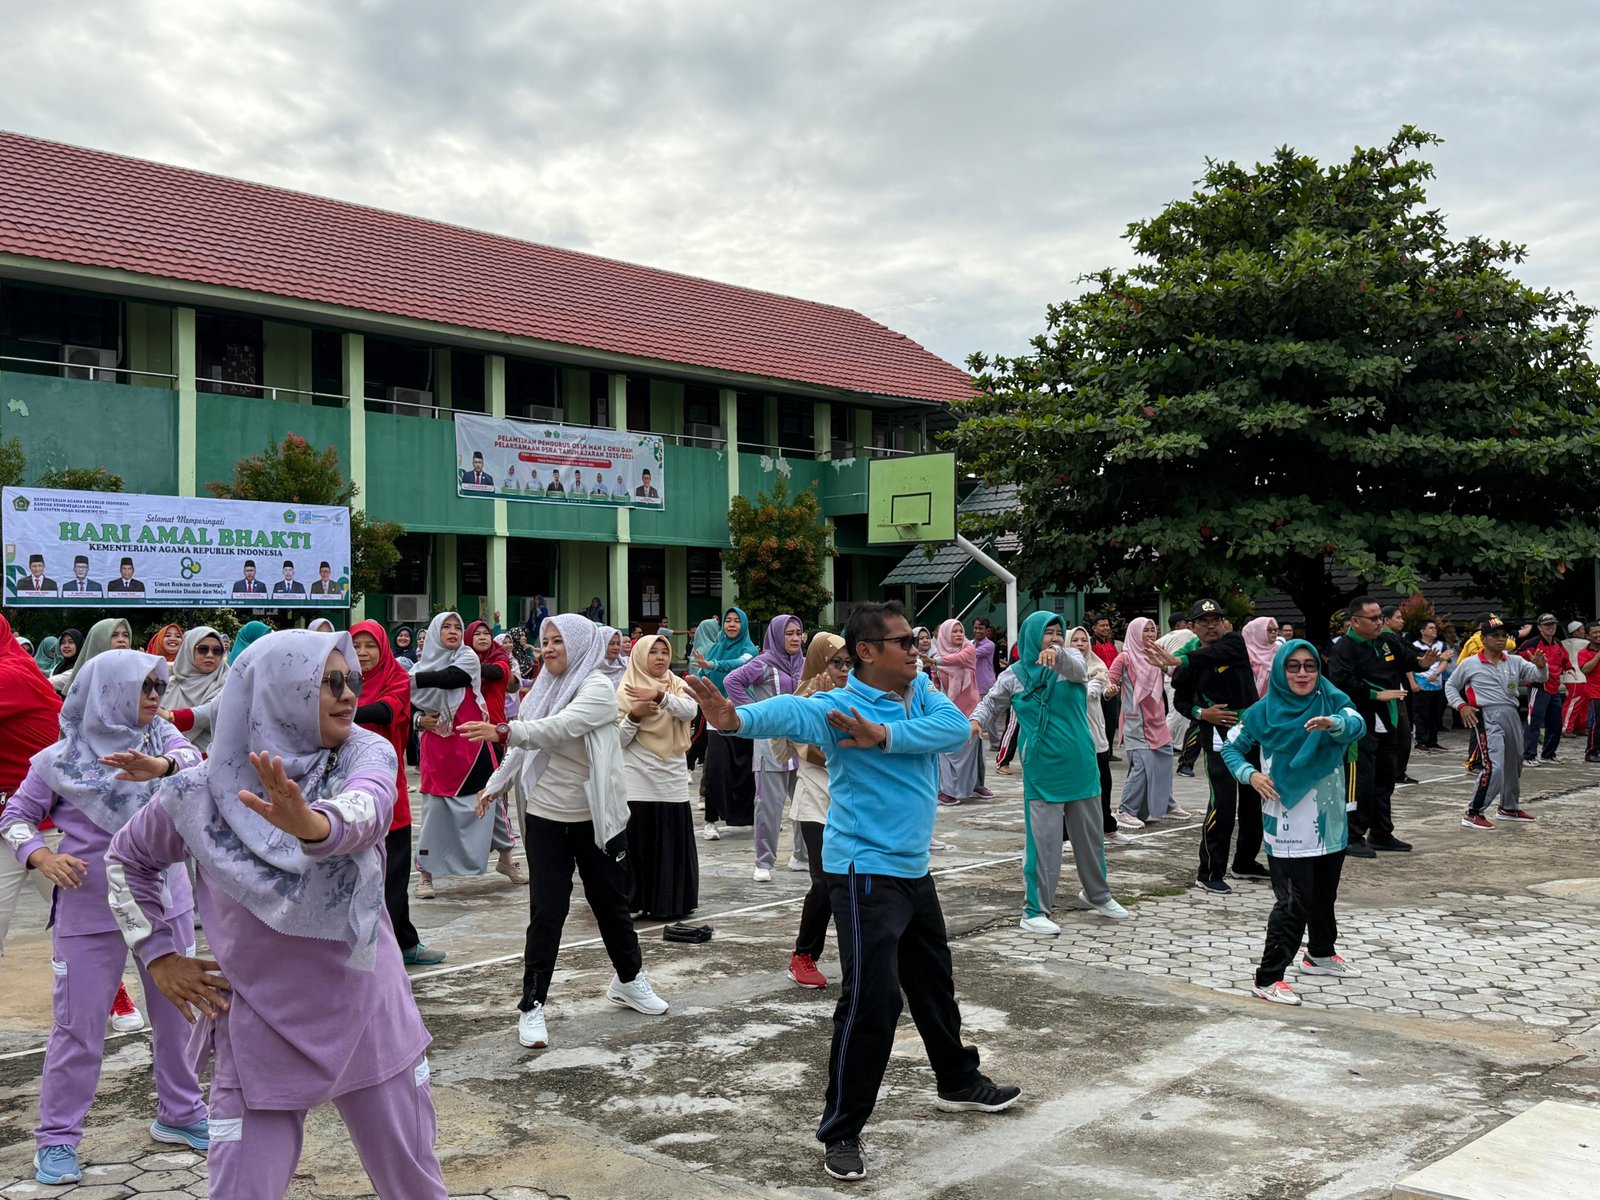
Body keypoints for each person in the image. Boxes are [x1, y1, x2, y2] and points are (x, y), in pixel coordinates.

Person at [684, 601, 1021, 1184]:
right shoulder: (838, 707)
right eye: (903, 644)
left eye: (916, 643)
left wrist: (884, 734)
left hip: (912, 869)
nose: (916, 651)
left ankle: (958, 1081)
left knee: (932, 981)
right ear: (867, 651)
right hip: (863, 872)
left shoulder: (920, 693)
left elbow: (955, 730)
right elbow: (791, 711)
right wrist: (734, 719)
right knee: (872, 1000)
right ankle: (841, 1130)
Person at [105, 629, 449, 1199]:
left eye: (351, 682)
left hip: (366, 1009)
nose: (347, 695)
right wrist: (159, 955)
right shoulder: (199, 792)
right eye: (328, 682)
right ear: (277, 690)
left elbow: (367, 804)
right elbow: (125, 861)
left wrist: (314, 825)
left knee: (413, 1186)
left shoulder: (363, 752)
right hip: (260, 1020)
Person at [1, 649, 208, 1185]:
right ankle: (58, 1139)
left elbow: (199, 769)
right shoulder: (57, 760)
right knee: (79, 1025)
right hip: (90, 907)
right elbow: (16, 816)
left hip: (166, 901)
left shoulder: (163, 740)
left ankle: (181, 1114)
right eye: (143, 689)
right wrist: (41, 856)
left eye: (158, 688)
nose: (155, 698)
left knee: (178, 1015)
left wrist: (159, 767)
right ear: (109, 691)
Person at [463, 614, 670, 1050]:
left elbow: (557, 728)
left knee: (611, 905)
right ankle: (533, 1004)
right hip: (545, 818)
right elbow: (528, 747)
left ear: (578, 645)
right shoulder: (543, 687)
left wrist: (505, 729)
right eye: (546, 641)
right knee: (548, 912)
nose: (550, 648)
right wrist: (496, 783)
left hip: (597, 819)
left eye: (559, 641)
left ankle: (630, 981)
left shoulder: (596, 688)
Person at [1220, 639, 1367, 1006]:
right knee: (1292, 901)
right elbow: (1230, 747)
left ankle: (1319, 953)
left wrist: (1332, 723)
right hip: (1286, 818)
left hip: (1329, 817)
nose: (1303, 674)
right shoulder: (1261, 712)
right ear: (1280, 670)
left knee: (1324, 892)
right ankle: (1268, 977)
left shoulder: (1330, 699)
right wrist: (1250, 775)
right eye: (1293, 666)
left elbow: (1356, 723)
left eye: (1310, 666)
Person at [972, 612, 1127, 936]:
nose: (1055, 638)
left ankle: (1097, 894)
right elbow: (991, 703)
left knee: (1089, 838)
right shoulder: (1013, 676)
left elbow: (1077, 670)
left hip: (1081, 763)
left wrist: (1057, 656)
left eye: (1059, 632)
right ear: (1031, 637)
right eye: (1048, 633)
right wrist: (976, 722)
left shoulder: (1072, 659)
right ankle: (1034, 910)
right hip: (1042, 769)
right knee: (1044, 843)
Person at [351, 620, 444, 966]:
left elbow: (386, 711)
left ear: (383, 648)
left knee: (393, 876)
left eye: (370, 646)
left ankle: (398, 946)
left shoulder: (397, 679)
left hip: (390, 793)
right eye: (356, 646)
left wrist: (339, 713)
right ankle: (372, 946)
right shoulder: (339, 677)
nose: (362, 653)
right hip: (345, 793)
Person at [411, 612, 522, 896]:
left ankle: (507, 860)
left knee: (490, 801)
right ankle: (425, 875)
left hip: (472, 743)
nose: (452, 631)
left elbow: (453, 678)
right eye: (445, 627)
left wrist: (409, 679)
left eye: (457, 627)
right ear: (435, 632)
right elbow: (408, 706)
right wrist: (418, 720)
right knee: (435, 809)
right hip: (438, 748)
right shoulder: (419, 667)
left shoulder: (467, 658)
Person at [1170, 604, 1269, 891]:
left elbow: (1212, 655)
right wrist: (1202, 713)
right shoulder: (1186, 661)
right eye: (1204, 622)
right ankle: (1210, 872)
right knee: (1223, 803)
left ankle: (1244, 863)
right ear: (1193, 626)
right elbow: (1181, 703)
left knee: (1254, 801)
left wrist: (1181, 660)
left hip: (1250, 732)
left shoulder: (1233, 643)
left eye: (1216, 620)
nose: (1211, 626)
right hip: (1217, 735)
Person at [1327, 596, 1428, 855]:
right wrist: (1374, 695)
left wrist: (1422, 663)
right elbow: (1341, 682)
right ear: (1355, 621)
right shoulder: (1344, 648)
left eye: (1380, 617)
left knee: (1386, 776)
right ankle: (1351, 835)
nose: (1378, 623)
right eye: (1373, 619)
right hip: (1359, 720)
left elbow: (1409, 658)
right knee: (1360, 778)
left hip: (1388, 716)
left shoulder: (1385, 641)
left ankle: (1381, 832)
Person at [616, 632, 700, 920]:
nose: (661, 657)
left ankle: (668, 902)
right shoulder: (625, 688)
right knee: (639, 841)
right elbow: (616, 741)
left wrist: (660, 696)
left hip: (671, 776)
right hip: (636, 779)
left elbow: (691, 709)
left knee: (670, 840)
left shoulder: (676, 685)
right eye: (653, 652)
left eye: (665, 652)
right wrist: (635, 715)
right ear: (640, 656)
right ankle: (635, 900)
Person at [0, 614, 65, 969]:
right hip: (6, 819)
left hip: (48, 816)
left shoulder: (12, 673)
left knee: (76, 915)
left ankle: (115, 997)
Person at [784, 632, 848, 988]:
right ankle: (803, 955)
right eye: (834, 662)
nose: (842, 670)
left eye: (848, 663)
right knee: (824, 883)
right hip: (816, 805)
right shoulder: (805, 697)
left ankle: (866, 953)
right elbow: (808, 750)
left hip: (850, 805)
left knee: (860, 883)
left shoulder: (858, 693)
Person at [725, 614, 807, 881]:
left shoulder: (804, 664)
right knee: (769, 806)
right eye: (789, 633)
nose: (795, 638)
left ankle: (802, 856)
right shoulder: (763, 664)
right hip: (770, 746)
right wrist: (752, 714)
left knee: (807, 803)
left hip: (803, 746)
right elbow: (731, 681)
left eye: (799, 633)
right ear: (776, 635)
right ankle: (764, 862)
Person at [1447, 617, 1547, 828]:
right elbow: (1451, 686)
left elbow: (1538, 677)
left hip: (1510, 713)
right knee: (1495, 765)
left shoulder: (1514, 661)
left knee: (1515, 761)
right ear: (1483, 639)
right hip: (1487, 715)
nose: (1501, 640)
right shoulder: (1470, 663)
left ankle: (1509, 808)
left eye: (1504, 636)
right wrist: (1461, 706)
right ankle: (1473, 812)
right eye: (1495, 636)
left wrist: (1541, 667)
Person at [696, 606, 759, 840]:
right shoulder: (715, 648)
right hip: (716, 718)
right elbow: (703, 677)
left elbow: (737, 664)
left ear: (743, 625)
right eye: (728, 621)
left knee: (746, 769)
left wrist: (712, 666)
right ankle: (711, 820)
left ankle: (752, 816)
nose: (731, 625)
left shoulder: (750, 650)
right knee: (716, 768)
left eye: (736, 621)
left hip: (744, 716)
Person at [1110, 617, 1178, 828]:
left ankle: (1164, 804)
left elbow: (1174, 672)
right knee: (1141, 764)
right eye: (1145, 631)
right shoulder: (1125, 657)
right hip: (1136, 720)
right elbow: (1110, 679)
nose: (1149, 634)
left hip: (1157, 717)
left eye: (1152, 630)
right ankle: (1125, 809)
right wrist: (1109, 689)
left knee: (1164, 759)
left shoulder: (1158, 653)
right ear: (1134, 632)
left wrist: (1166, 664)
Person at [932, 619, 990, 804]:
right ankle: (946, 790)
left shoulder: (969, 649)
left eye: (960, 631)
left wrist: (936, 661)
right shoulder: (938, 656)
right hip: (949, 708)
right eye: (954, 631)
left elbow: (961, 659)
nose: (958, 634)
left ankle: (974, 785)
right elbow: (936, 683)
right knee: (945, 749)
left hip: (970, 708)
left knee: (973, 748)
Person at [159, 627, 230, 752]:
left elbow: (212, 710)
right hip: (166, 758)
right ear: (189, 650)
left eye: (217, 651)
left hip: (207, 762)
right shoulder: (171, 684)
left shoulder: (227, 683)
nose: (210, 655)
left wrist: (171, 716)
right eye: (203, 649)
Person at [1520, 613, 1571, 764]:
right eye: (1547, 624)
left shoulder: (1558, 643)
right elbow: (1518, 658)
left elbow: (1565, 659)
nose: (1551, 627)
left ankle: (1548, 754)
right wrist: (1532, 666)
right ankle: (1528, 756)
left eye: (1553, 624)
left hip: (1554, 687)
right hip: (1538, 686)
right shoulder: (1532, 642)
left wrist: (1569, 668)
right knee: (1534, 721)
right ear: (1540, 627)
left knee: (1555, 723)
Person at [53, 617, 133, 696]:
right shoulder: (86, 675)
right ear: (98, 640)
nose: (121, 639)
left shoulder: (137, 670)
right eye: (114, 635)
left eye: (126, 635)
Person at [1411, 620, 1449, 752]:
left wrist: (1437, 673)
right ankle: (1421, 741)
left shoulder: (1440, 645)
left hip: (1437, 684)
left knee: (1436, 714)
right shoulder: (1414, 646)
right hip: (1421, 684)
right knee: (1422, 715)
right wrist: (1413, 684)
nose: (1434, 630)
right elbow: (1409, 667)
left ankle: (1433, 741)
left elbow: (1445, 661)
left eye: (1435, 628)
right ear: (1422, 631)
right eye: (1431, 628)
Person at [1089, 615, 1122, 758]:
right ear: (1094, 628)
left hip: (1111, 686)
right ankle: (1099, 751)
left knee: (1111, 719)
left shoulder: (1111, 644)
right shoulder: (1091, 644)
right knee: (1098, 719)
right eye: (1102, 625)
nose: (1106, 628)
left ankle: (1109, 751)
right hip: (1096, 686)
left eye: (1107, 625)